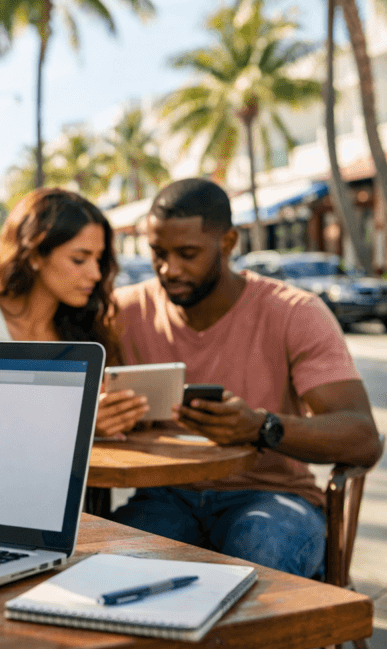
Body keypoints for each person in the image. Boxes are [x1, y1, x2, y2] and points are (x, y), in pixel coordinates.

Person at [109, 177, 381, 577]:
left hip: (273, 496)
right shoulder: (125, 313)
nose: (169, 269)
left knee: (259, 550)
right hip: (165, 497)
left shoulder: (293, 312)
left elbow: (362, 438)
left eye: (187, 253)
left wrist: (262, 427)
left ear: (229, 242)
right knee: (108, 566)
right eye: (157, 252)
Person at [0, 188, 149, 436]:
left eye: (98, 259)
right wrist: (77, 425)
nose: (95, 274)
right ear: (34, 255)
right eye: (79, 259)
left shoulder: (86, 329)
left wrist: (116, 416)